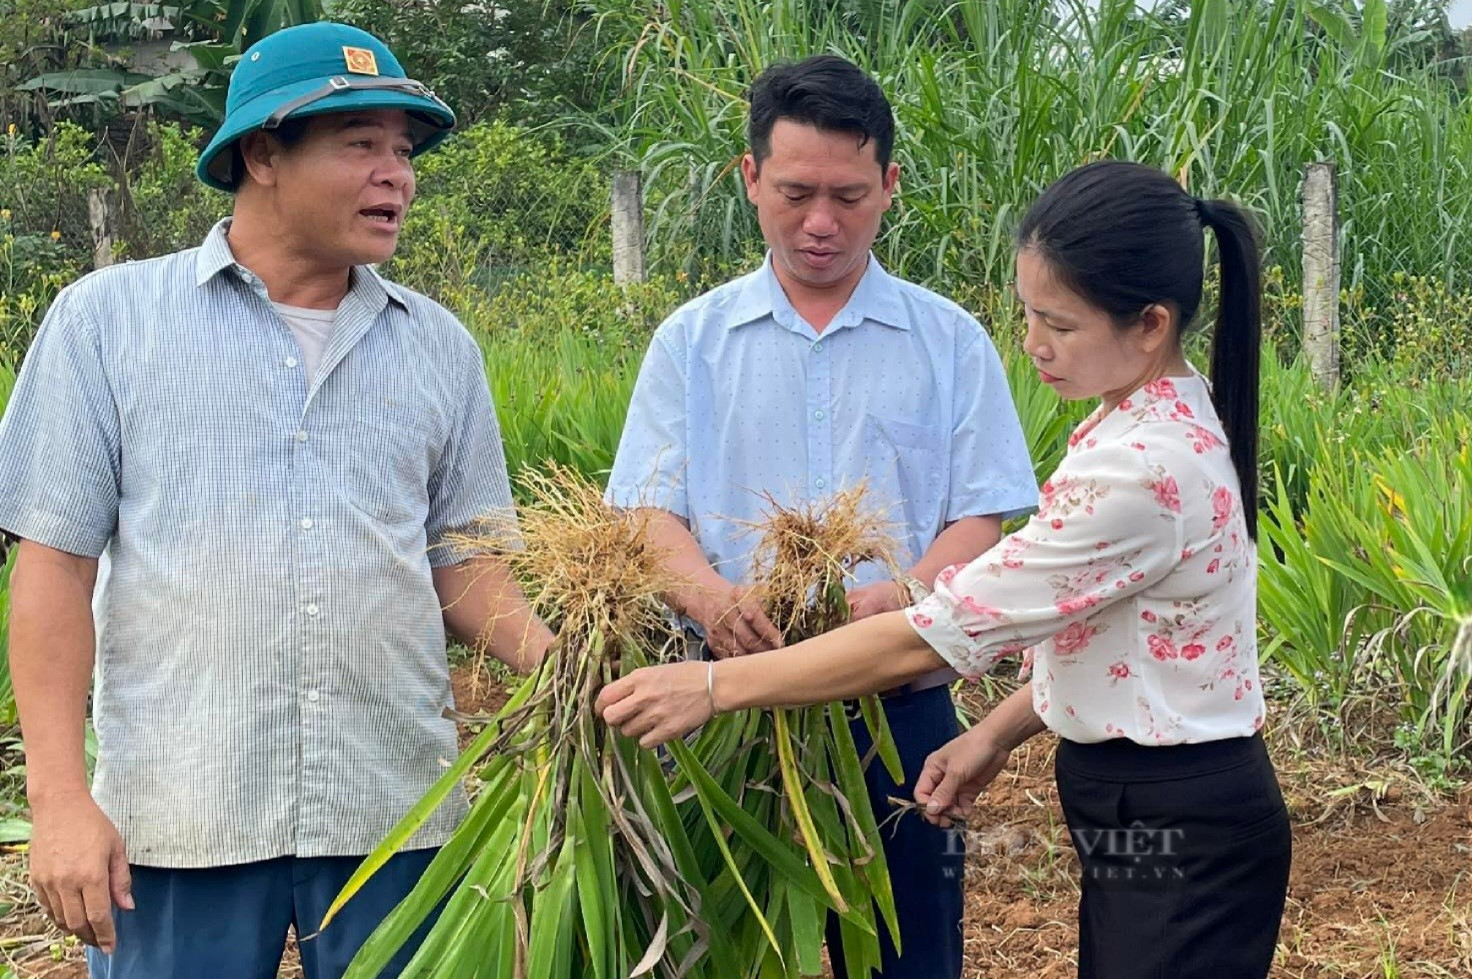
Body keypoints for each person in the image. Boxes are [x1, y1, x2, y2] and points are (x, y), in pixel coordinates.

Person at [600, 160, 1292, 979]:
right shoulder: (1149, 415)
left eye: (1059, 326)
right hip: (1153, 799)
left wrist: (713, 687)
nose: (1034, 345)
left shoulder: (1140, 469)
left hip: (1177, 814)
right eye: (1029, 315)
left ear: (1149, 324)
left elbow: (931, 635)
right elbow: (1111, 633)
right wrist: (994, 734)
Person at [0, 22, 552, 979]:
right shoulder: (108, 324)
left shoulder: (438, 347)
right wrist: (59, 800)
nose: (397, 175)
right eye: (361, 145)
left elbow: (463, 563)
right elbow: (53, 564)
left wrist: (563, 662)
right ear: (262, 154)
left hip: (391, 809)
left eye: (404, 150)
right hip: (181, 816)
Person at [603, 55, 1037, 979]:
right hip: (725, 710)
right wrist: (715, 601)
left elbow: (981, 519)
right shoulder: (693, 341)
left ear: (890, 186)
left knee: (910, 952)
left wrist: (903, 595)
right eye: (796, 192)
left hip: (899, 716)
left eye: (848, 194)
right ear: (750, 177)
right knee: (732, 953)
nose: (821, 222)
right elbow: (647, 512)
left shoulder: (948, 340)